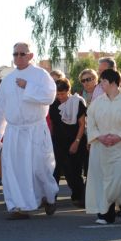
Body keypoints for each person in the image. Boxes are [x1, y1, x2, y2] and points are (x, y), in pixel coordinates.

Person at [0, 42, 59, 220]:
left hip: (36, 129)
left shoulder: (40, 75)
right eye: (15, 54)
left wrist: (28, 86)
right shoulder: (7, 80)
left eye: (22, 54)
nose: (18, 58)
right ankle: (19, 206)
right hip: (14, 131)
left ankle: (49, 196)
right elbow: (0, 109)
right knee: (15, 169)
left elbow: (50, 96)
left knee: (40, 168)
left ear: (30, 56)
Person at [85, 69, 121, 224]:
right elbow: (90, 122)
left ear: (112, 82)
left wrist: (119, 136)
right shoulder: (97, 103)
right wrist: (99, 136)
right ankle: (106, 214)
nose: (101, 84)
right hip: (102, 147)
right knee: (103, 180)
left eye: (103, 81)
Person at [49, 78, 87, 208]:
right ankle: (50, 199)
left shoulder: (77, 102)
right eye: (57, 94)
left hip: (75, 141)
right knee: (54, 171)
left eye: (62, 94)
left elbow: (82, 124)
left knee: (73, 172)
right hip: (58, 142)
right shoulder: (52, 104)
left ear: (68, 91)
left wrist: (76, 142)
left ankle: (79, 196)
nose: (60, 97)